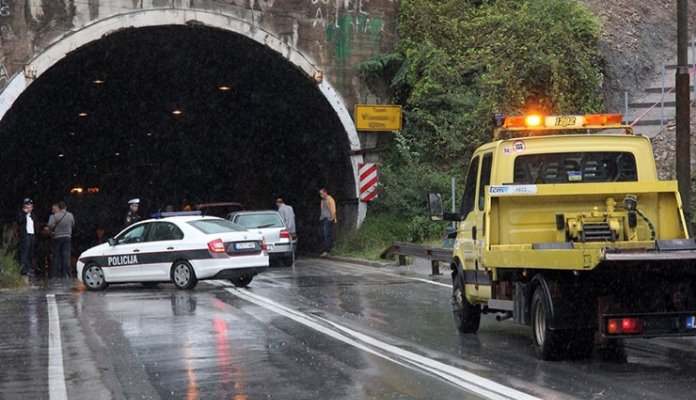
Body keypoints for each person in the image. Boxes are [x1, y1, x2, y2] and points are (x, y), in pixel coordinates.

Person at [47, 202, 75, 279]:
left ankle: (56, 274)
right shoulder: (70, 215)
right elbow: (73, 224)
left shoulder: (54, 216)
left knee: (56, 255)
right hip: (67, 237)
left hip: (57, 237)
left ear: (59, 208)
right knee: (66, 255)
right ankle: (66, 273)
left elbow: (50, 226)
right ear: (65, 207)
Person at [17, 198, 36, 283]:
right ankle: (23, 269)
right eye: (28, 205)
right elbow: (19, 221)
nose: (29, 207)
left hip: (31, 235)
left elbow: (35, 219)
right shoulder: (21, 214)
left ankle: (29, 268)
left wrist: (30, 213)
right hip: (25, 235)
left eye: (30, 205)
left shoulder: (32, 214)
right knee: (24, 252)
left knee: (30, 252)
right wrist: (25, 213)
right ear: (24, 206)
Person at [318, 188, 337, 257]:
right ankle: (324, 249)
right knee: (324, 234)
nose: (321, 195)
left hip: (328, 219)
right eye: (320, 194)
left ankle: (327, 250)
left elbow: (333, 209)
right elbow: (322, 210)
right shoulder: (322, 201)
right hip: (323, 218)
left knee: (326, 234)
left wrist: (331, 218)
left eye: (322, 193)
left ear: (325, 193)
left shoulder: (330, 200)